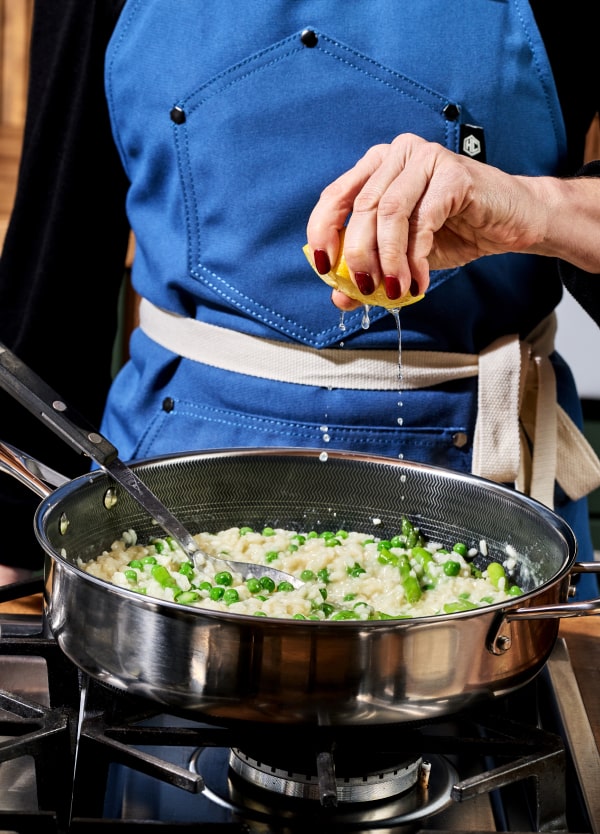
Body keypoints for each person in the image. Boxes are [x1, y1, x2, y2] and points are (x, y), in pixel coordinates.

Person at [0, 1, 599, 599]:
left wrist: (543, 209)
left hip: (500, 501)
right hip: (161, 499)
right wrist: (10, 540)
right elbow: (59, 242)